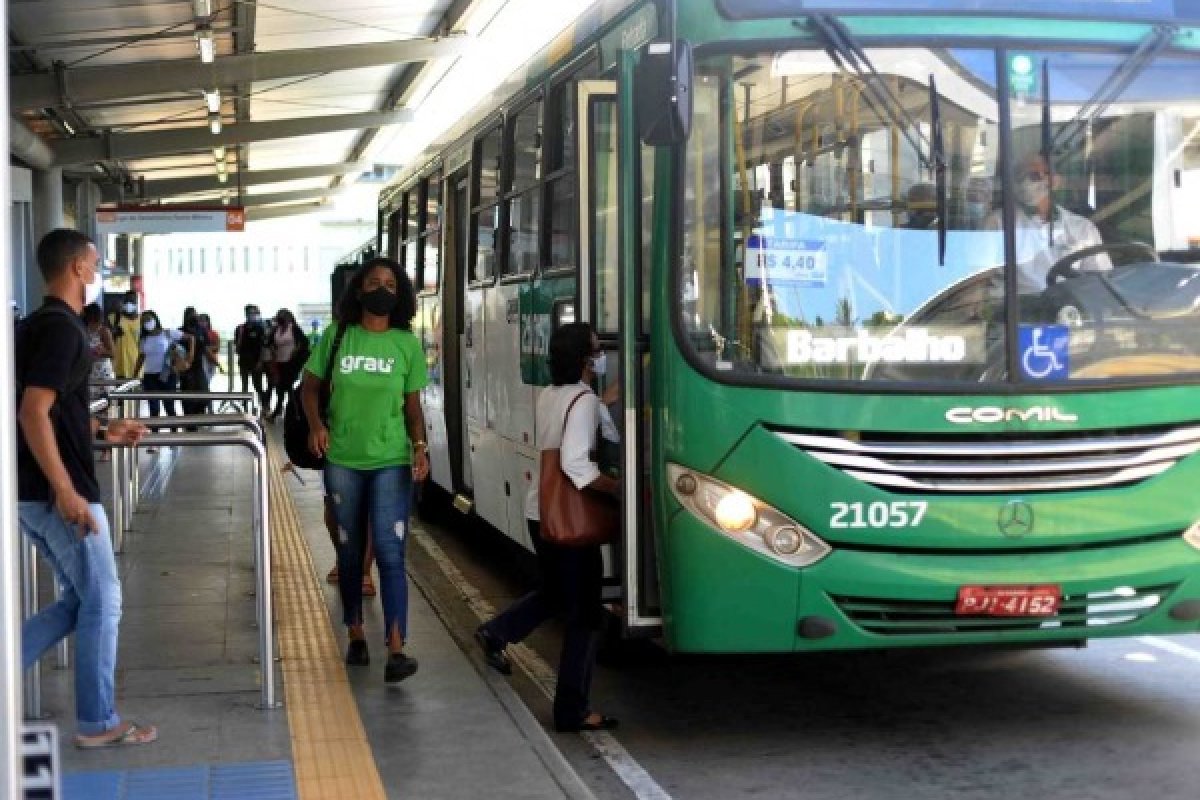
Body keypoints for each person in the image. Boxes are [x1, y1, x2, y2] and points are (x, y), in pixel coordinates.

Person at [15, 228, 157, 748]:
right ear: (75, 267)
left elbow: (51, 412)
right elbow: (32, 413)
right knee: (104, 601)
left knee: (82, 602)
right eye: (93, 262)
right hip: (59, 493)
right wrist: (65, 490)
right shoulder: (63, 331)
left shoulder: (34, 327)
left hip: (37, 491)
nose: (97, 271)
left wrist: (103, 430)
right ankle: (98, 722)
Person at [474, 322, 621, 733]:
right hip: (569, 520)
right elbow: (576, 464)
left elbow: (581, 429)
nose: (601, 354)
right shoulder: (584, 400)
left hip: (541, 511)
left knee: (556, 592)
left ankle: (497, 632)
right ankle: (571, 710)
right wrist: (617, 489)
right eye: (596, 349)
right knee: (585, 616)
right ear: (586, 359)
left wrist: (604, 401)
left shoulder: (551, 395)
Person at [302, 257, 429, 684]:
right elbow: (310, 386)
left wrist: (420, 446)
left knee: (391, 553)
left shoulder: (406, 345)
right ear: (359, 291)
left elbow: (413, 407)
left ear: (401, 294)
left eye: (390, 284)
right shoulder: (339, 337)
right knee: (351, 551)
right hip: (342, 459)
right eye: (373, 283)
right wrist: (318, 426)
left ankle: (396, 648)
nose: (381, 290)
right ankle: (356, 632)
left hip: (391, 461)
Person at [987, 152, 1112, 292]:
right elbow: (983, 279)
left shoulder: (1082, 228)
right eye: (1020, 177)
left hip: (1069, 308)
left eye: (1034, 176)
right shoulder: (998, 222)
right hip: (1018, 309)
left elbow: (1101, 280)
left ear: (1054, 181)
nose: (1025, 183)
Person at [134, 310, 192, 424]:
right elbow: (141, 357)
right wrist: (134, 374)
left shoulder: (167, 333)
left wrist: (190, 357)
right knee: (154, 409)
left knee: (169, 407)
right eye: (144, 320)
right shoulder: (143, 339)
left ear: (155, 319)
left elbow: (191, 338)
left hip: (167, 374)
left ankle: (174, 433)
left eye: (149, 319)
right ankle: (154, 436)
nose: (147, 322)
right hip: (150, 377)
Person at [265, 308, 308, 422]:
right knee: (283, 388)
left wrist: (295, 351)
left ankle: (284, 412)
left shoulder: (293, 328)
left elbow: (304, 342)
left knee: (286, 386)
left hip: (292, 363)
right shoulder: (276, 330)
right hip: (280, 362)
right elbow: (268, 343)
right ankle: (294, 412)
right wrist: (273, 350)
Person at [178, 307, 213, 417]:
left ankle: (198, 412)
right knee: (187, 396)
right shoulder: (180, 331)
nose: (193, 317)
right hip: (185, 367)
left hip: (198, 366)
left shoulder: (201, 331)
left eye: (194, 315)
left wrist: (215, 361)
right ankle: (189, 420)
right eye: (190, 315)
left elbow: (206, 348)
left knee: (204, 395)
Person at [234, 304, 269, 406]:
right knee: (244, 385)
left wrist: (260, 361)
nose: (252, 315)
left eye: (254, 313)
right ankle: (244, 407)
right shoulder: (240, 328)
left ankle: (264, 406)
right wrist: (240, 336)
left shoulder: (260, 328)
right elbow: (237, 348)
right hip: (244, 360)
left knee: (258, 385)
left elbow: (263, 346)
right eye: (250, 313)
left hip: (256, 361)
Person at [83, 303, 115, 398]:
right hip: (89, 372)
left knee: (104, 402)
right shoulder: (84, 329)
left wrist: (100, 352)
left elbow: (112, 353)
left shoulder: (104, 331)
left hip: (102, 372)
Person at [108, 290, 141, 380]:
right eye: (127, 301)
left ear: (136, 303)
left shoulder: (142, 320)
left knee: (136, 393)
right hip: (118, 365)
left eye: (132, 301)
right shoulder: (114, 317)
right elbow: (107, 336)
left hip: (136, 366)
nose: (129, 303)